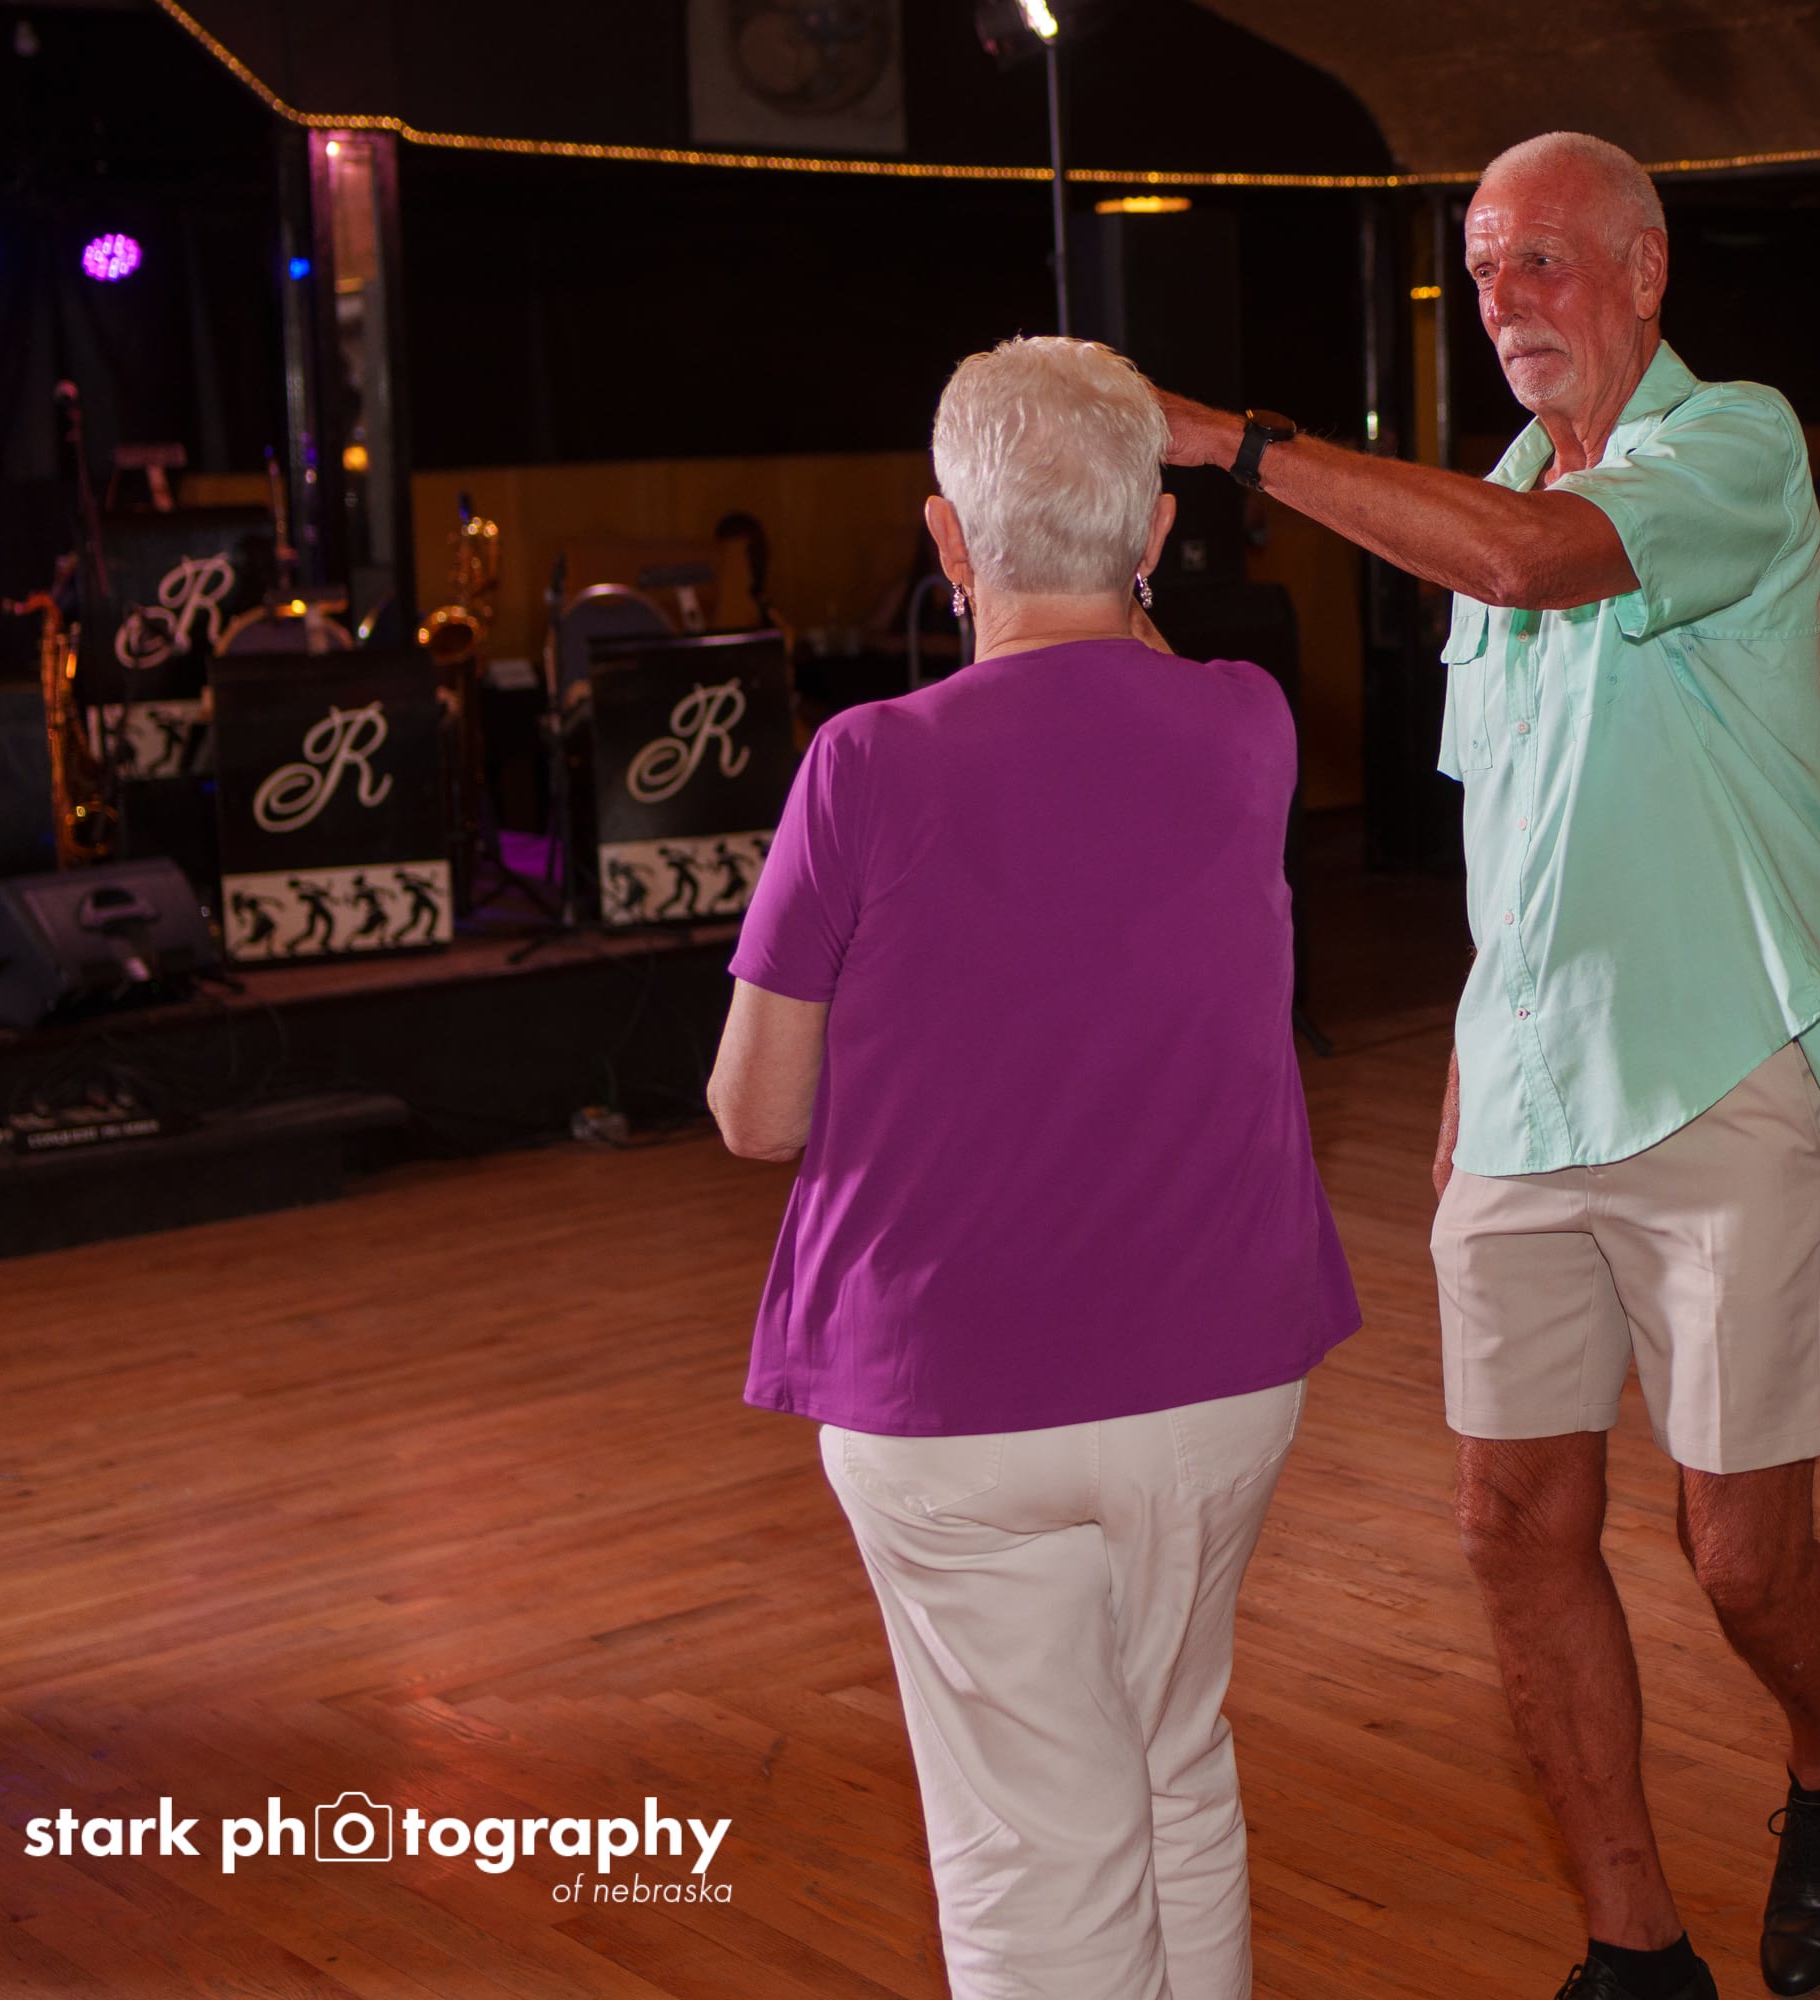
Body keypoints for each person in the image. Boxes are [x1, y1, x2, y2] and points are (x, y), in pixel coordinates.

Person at [1154, 132, 1820, 2000]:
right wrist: (1486, 1041)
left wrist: (1235, 444)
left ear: (1644, 268)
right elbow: (1517, 819)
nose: (1502, 302)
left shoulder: (1735, 444)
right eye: (1480, 271)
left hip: (1731, 1071)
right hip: (1528, 1089)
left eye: (1539, 260)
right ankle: (1635, 1944)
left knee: (1741, 1560)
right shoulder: (1482, 497)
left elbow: (1540, 564)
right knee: (1505, 1522)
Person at [707, 336, 1360, 1997]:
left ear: (945, 535)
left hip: (952, 1391)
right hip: (1218, 1372)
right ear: (1158, 537)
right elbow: (1133, 671)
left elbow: (757, 1116)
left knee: (1031, 1844)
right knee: (1174, 1765)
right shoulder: (1249, 724)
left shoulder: (866, 761)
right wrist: (1122, 556)